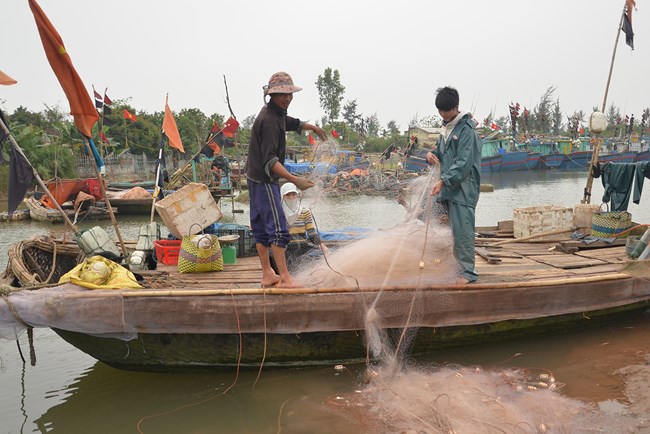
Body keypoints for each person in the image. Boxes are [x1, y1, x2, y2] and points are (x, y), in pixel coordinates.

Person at [245, 71, 327, 288]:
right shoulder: (270, 120)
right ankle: (285, 277)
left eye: (289, 94)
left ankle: (267, 274)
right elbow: (270, 161)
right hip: (264, 181)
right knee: (280, 229)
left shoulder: (276, 113)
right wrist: (295, 180)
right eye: (282, 94)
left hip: (253, 179)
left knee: (260, 229)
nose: (287, 98)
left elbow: (290, 122)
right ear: (272, 95)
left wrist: (313, 127)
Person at [426, 86, 482, 283]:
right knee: (454, 233)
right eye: (440, 111)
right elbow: (442, 153)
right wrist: (431, 156)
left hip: (464, 190)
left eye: (446, 111)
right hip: (449, 189)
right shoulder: (446, 129)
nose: (443, 114)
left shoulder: (467, 131)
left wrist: (443, 181)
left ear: (456, 107)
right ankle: (458, 269)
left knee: (463, 232)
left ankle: (468, 274)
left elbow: (463, 164)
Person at [271, 182, 328, 272]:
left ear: (297, 195)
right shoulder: (277, 213)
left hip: (302, 247)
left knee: (318, 259)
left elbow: (311, 233)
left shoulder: (304, 212)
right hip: (285, 248)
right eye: (288, 195)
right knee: (272, 256)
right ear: (282, 196)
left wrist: (323, 246)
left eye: (293, 194)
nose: (291, 198)